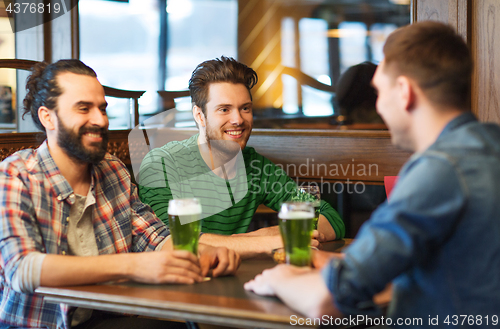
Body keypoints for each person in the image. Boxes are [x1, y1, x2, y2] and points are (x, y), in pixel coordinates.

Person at [244, 21, 500, 325]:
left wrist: (279, 278)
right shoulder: (489, 145)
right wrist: (345, 264)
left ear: (404, 92)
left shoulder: (438, 171)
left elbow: (325, 302)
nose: (378, 105)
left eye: (379, 91)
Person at [0, 59, 240, 329]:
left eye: (102, 108)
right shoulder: (15, 175)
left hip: (107, 317)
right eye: (84, 108)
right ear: (47, 117)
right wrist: (133, 266)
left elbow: (155, 238)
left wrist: (207, 252)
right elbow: (22, 269)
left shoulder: (111, 169)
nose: (100, 120)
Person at [138, 56, 345, 259]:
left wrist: (255, 239)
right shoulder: (161, 165)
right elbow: (169, 243)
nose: (238, 120)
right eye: (224, 109)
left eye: (245, 108)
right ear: (199, 115)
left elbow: (330, 218)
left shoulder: (255, 166)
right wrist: (268, 239)